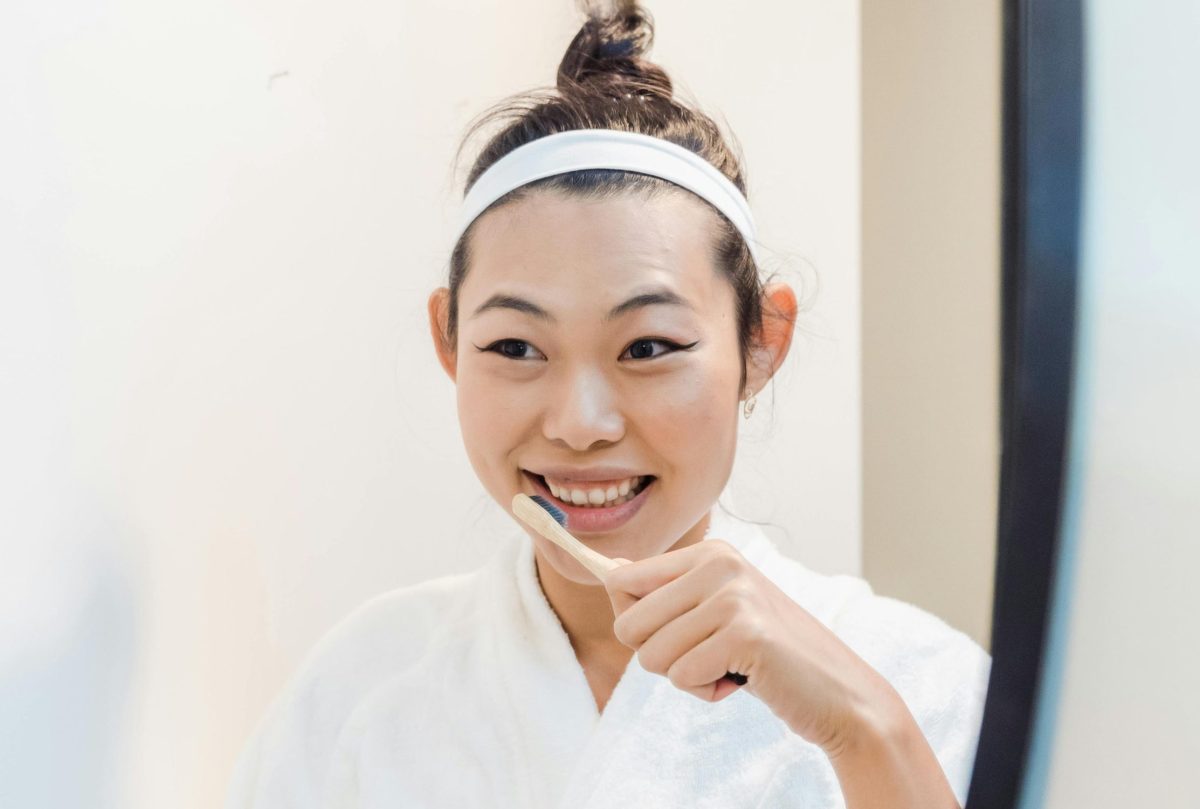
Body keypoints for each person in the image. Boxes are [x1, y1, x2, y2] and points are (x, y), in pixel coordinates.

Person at [227, 2, 990, 807]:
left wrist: (865, 729)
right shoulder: (359, 694)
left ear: (762, 342)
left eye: (649, 347)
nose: (579, 424)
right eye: (516, 347)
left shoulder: (920, 682)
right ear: (449, 342)